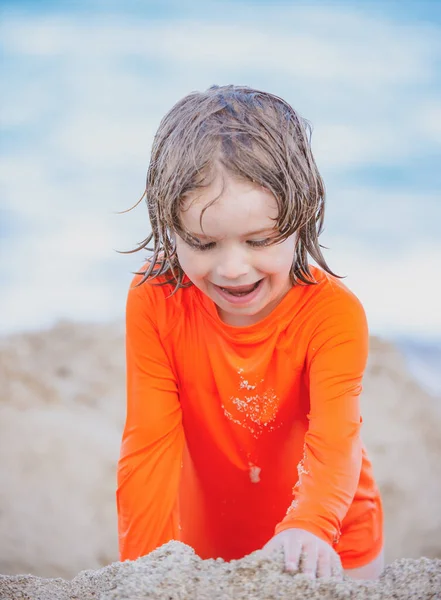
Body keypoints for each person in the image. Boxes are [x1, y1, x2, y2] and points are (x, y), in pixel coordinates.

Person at [116, 84, 384, 580]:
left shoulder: (332, 314)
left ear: (303, 216)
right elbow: (148, 445)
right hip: (208, 545)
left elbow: (335, 440)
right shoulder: (155, 298)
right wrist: (144, 568)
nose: (233, 268)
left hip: (331, 544)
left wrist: (310, 525)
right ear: (169, 227)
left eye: (259, 240)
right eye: (203, 242)